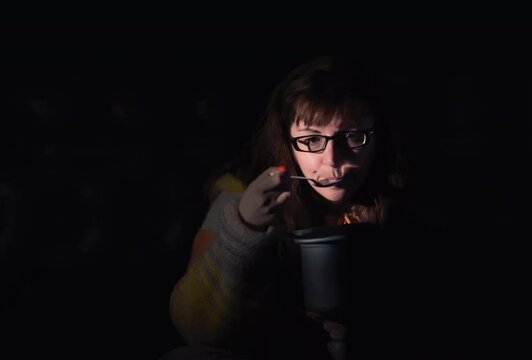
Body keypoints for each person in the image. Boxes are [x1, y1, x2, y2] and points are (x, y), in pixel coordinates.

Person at [161, 55, 408, 360]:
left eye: (352, 136)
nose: (332, 161)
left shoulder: (399, 200)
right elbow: (196, 331)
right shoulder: (239, 198)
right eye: (311, 139)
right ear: (286, 142)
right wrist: (243, 227)